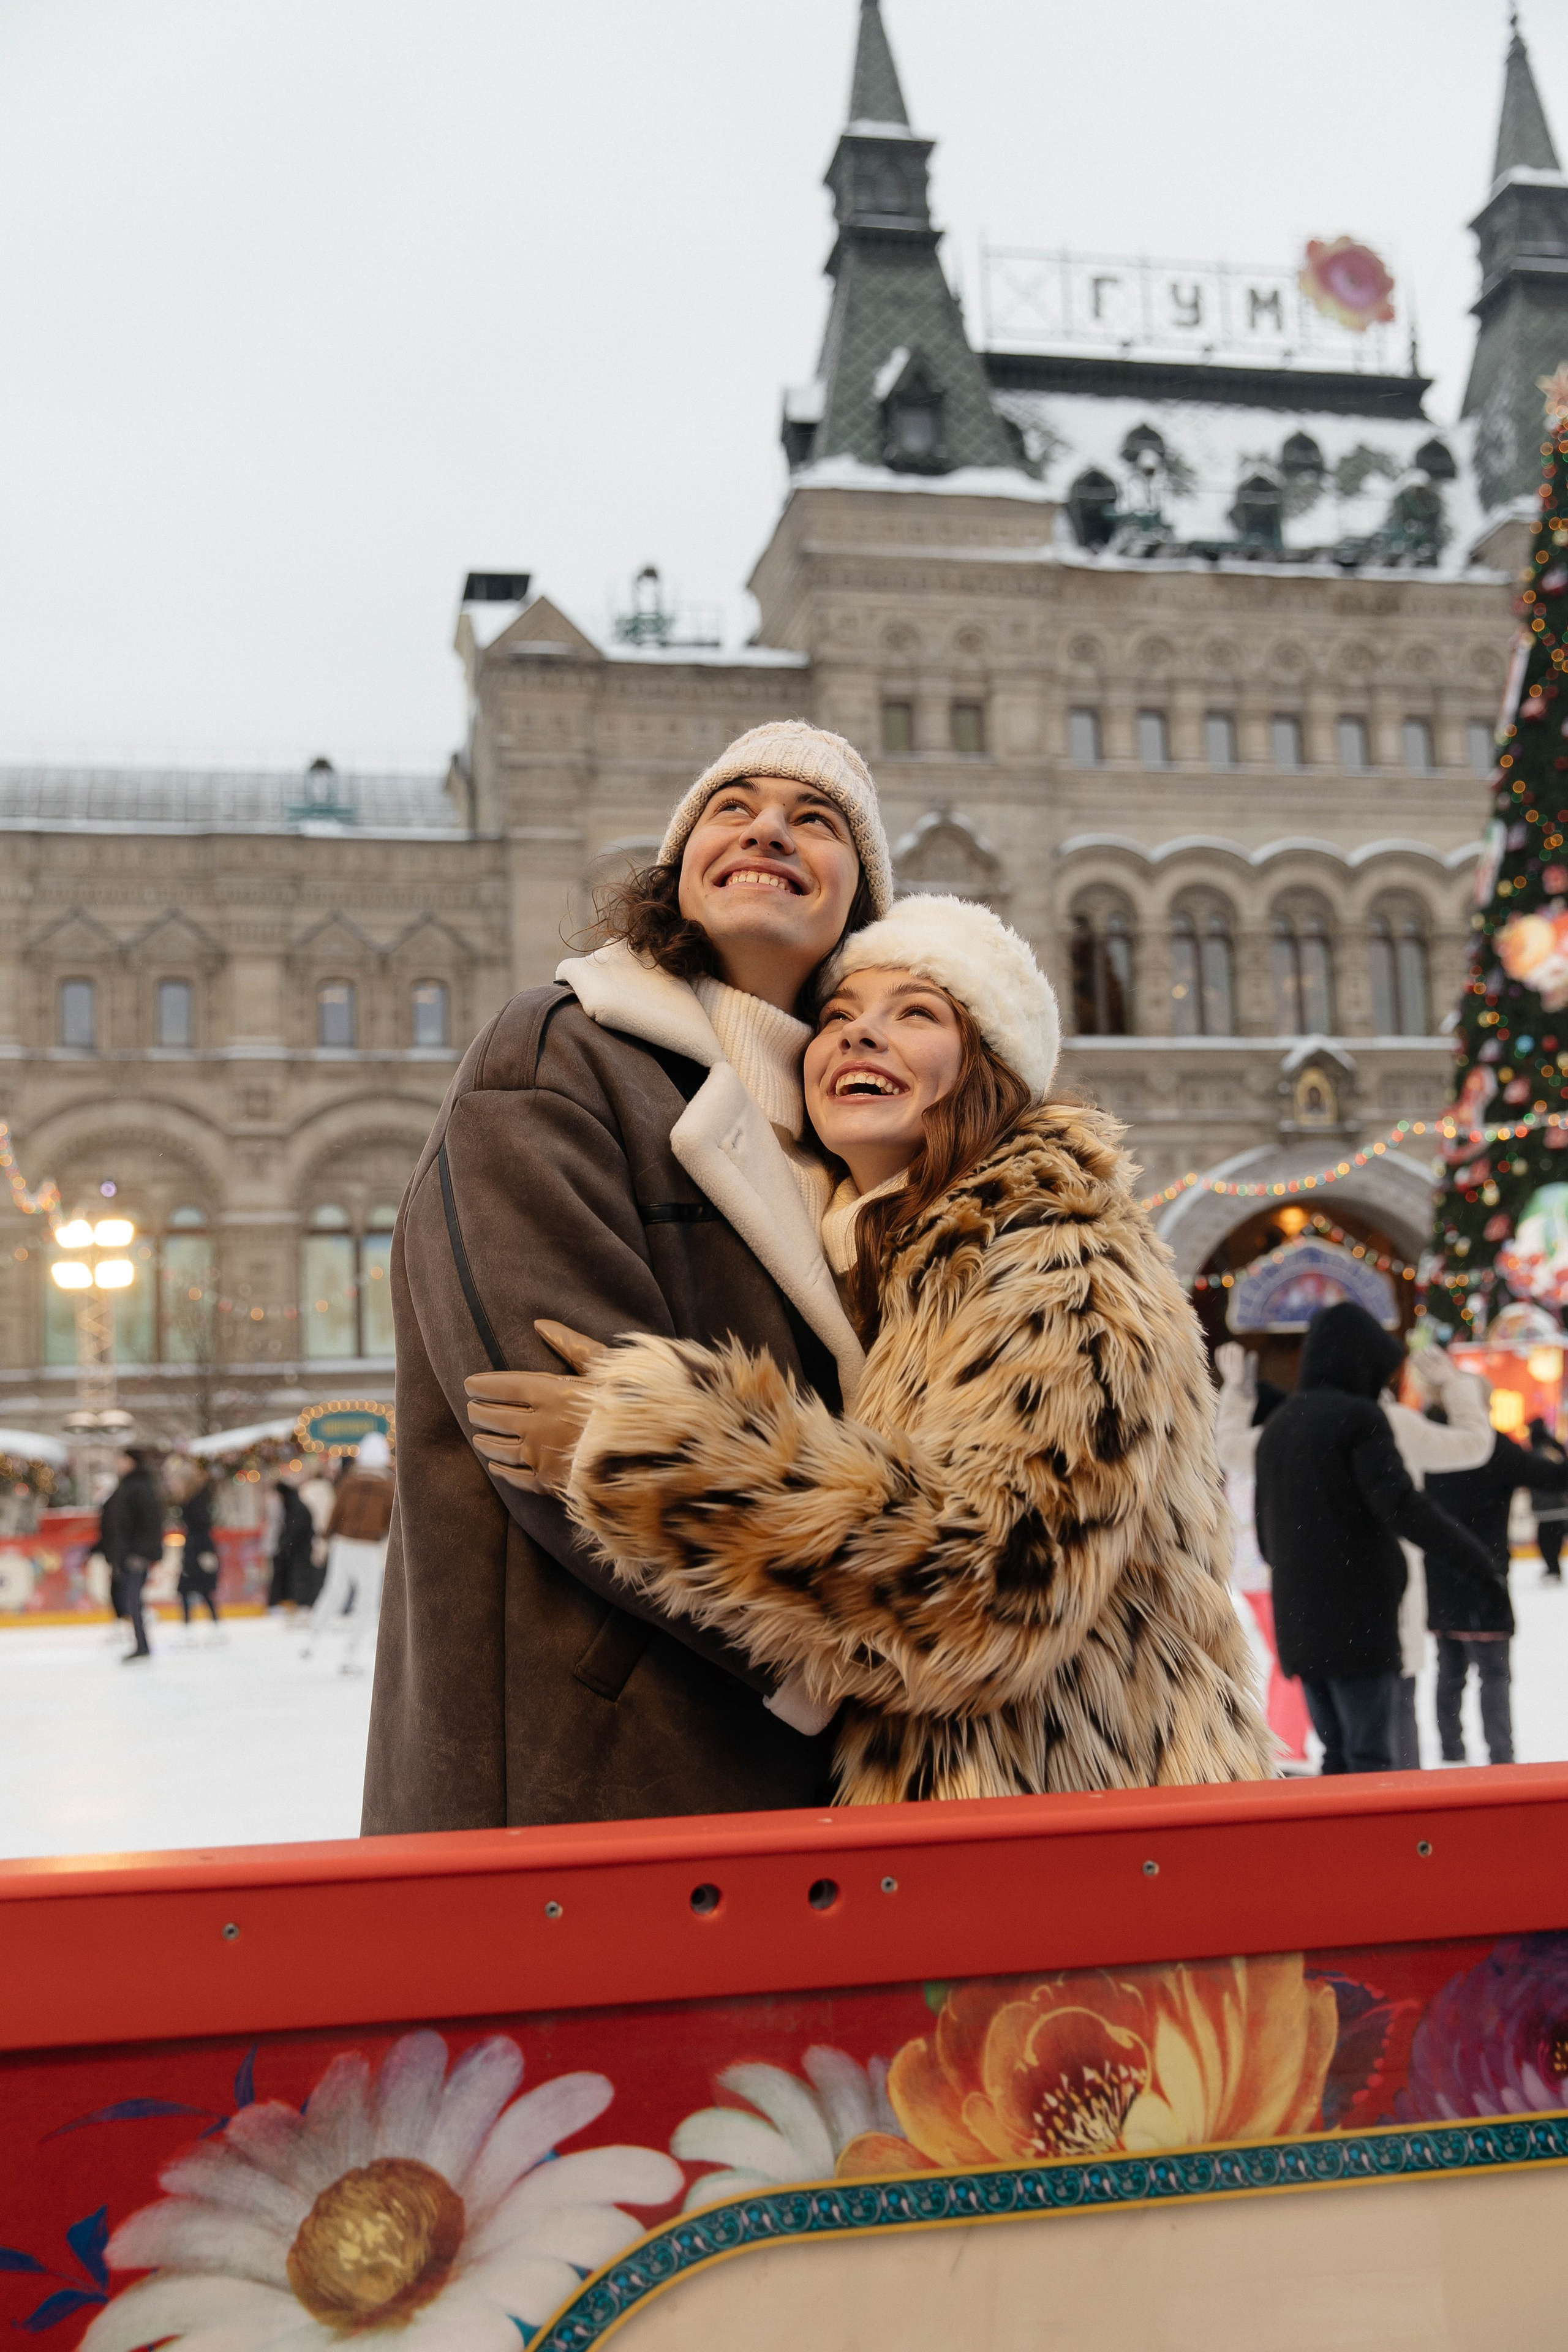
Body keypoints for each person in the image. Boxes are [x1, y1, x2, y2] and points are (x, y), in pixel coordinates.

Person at [474, 896, 1272, 1801]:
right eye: (841, 1017)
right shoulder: (898, 1263)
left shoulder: (1057, 1254)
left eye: (917, 1013)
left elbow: (992, 1594)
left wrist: (655, 1454)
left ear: (990, 1068)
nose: (860, 1037)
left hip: (1087, 1847)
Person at [363, 722, 894, 1833]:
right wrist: (852, 1657)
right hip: (599, 1760)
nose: (769, 830)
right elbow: (560, 1433)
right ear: (678, 867)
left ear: (862, 892)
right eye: (732, 807)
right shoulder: (559, 1055)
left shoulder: (861, 1135)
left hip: (813, 1773)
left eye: (818, 819)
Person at [1217, 1337, 1494, 1770]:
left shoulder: (1295, 1423)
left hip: (1314, 1602)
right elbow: (1474, 1444)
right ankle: (1401, 1816)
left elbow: (1231, 1450)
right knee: (1390, 1721)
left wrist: (1238, 1394)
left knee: (1343, 1742)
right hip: (1383, 1598)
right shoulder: (1390, 1421)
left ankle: (1361, 1815)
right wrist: (1454, 1385)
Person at [1423, 1425, 1568, 1765]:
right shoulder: (1490, 1447)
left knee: (1450, 1671)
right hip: (1485, 1580)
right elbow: (1556, 1477)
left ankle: (1451, 1753)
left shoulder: (1431, 1441)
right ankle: (1501, 1759)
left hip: (1442, 1578)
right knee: (1493, 1675)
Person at [304, 1434, 395, 1674]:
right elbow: (391, 1521)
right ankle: (352, 1653)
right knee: (366, 1601)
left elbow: (336, 1510)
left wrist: (325, 1536)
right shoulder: (389, 1485)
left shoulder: (349, 1480)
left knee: (334, 1591)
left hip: (343, 1543)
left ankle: (312, 1638)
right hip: (368, 1547)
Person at [97, 1447, 165, 1665]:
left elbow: (150, 1522)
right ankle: (140, 1643)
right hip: (125, 1555)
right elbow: (115, 1522)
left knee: (133, 1600)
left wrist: (141, 1553)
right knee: (127, 1599)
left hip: (135, 1555)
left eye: (122, 1459)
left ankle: (142, 1645)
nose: (118, 1463)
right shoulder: (127, 1486)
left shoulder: (140, 1487)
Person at [176, 1472, 223, 1635]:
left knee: (195, 1588)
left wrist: (203, 1551)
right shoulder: (195, 1499)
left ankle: (193, 1624)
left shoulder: (196, 1501)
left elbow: (202, 1526)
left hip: (197, 1551)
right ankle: (204, 1623)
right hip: (195, 1550)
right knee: (196, 1589)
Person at [268, 1474, 317, 1611]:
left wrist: (285, 1545)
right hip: (297, 1550)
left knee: (299, 1577)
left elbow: (296, 1529)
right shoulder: (294, 1505)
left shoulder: (295, 1507)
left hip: (300, 1551)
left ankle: (302, 1604)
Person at [1527, 1417, 1567, 1581]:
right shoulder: (1555, 1448)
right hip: (1557, 1505)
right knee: (1552, 1540)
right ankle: (1553, 1569)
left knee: (1547, 1541)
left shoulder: (1538, 1452)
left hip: (1548, 1507)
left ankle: (1553, 1570)